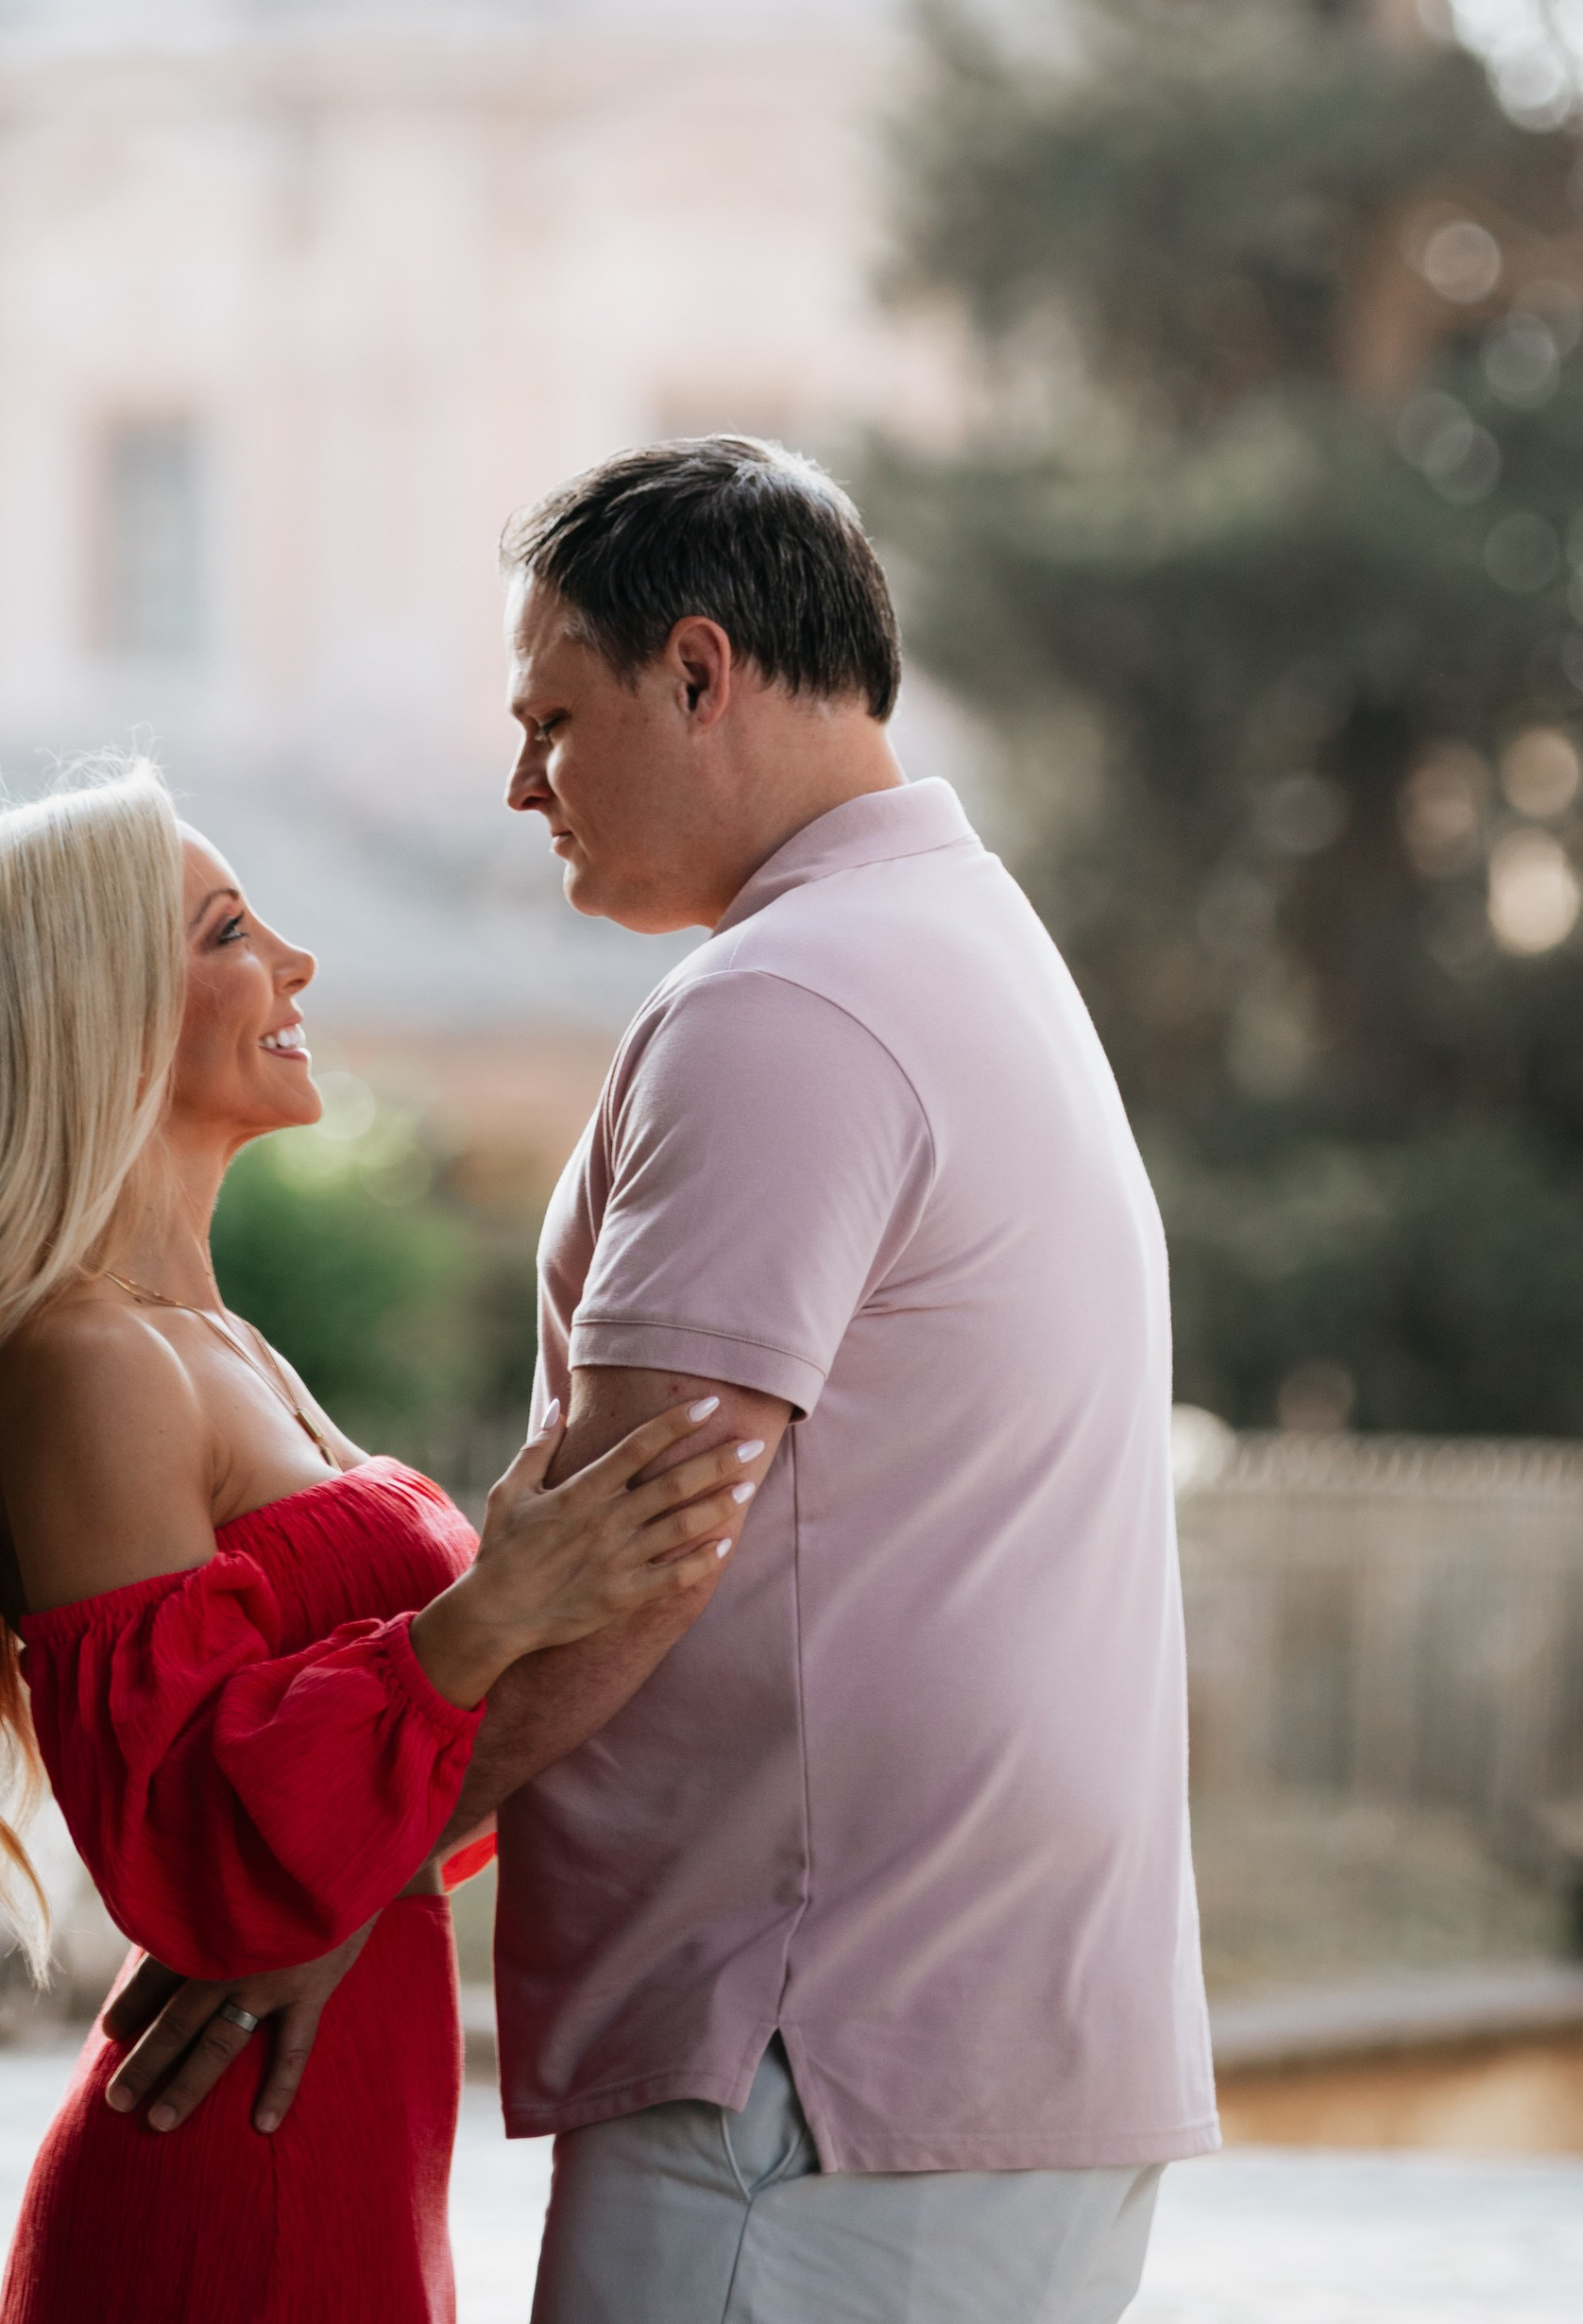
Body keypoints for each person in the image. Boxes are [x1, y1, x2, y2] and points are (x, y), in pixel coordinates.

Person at [124, 437, 1217, 2324]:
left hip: (807, 2066)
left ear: (699, 673)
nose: (520, 785)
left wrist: (343, 1878)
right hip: (964, 2057)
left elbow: (630, 1551)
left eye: (553, 720)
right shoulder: (963, 943)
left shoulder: (784, 1006)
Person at [0, 761, 749, 2324]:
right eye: (228, 933)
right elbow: (183, 1836)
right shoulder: (87, 1366)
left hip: (332, 2129)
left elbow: (354, 1800)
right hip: (236, 2164)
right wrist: (490, 1616)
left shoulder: (222, 1345)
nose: (297, 962)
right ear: (95, 1019)